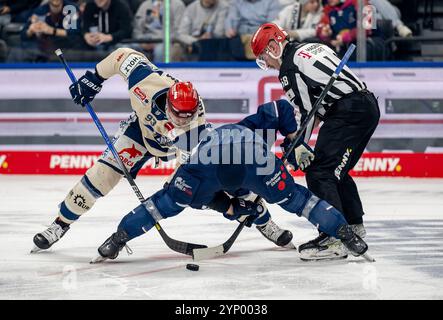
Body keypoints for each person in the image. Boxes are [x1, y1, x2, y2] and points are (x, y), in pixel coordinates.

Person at [31, 47, 293, 251]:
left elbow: (194, 185)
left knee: (229, 177)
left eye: (188, 115)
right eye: (179, 114)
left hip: (177, 147)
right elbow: (122, 56)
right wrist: (94, 78)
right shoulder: (144, 80)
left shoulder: (195, 130)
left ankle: (263, 221)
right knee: (101, 176)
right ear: (168, 103)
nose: (183, 119)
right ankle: (59, 225)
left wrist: (227, 207)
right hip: (141, 134)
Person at [92, 99, 369, 262]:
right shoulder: (240, 127)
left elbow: (197, 199)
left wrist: (230, 209)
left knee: (164, 204)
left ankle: (116, 240)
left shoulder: (190, 170)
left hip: (208, 168)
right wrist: (293, 139)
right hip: (253, 154)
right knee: (296, 198)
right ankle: (346, 235)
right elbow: (282, 108)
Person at [250, 23, 380, 261]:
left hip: (348, 111)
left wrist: (296, 145)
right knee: (335, 170)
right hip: (367, 106)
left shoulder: (288, 69)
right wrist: (298, 144)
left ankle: (334, 237)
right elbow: (317, 109)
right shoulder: (311, 47)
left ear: (273, 46)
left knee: (320, 171)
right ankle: (353, 227)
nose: (266, 64)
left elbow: (308, 113)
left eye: (264, 57)